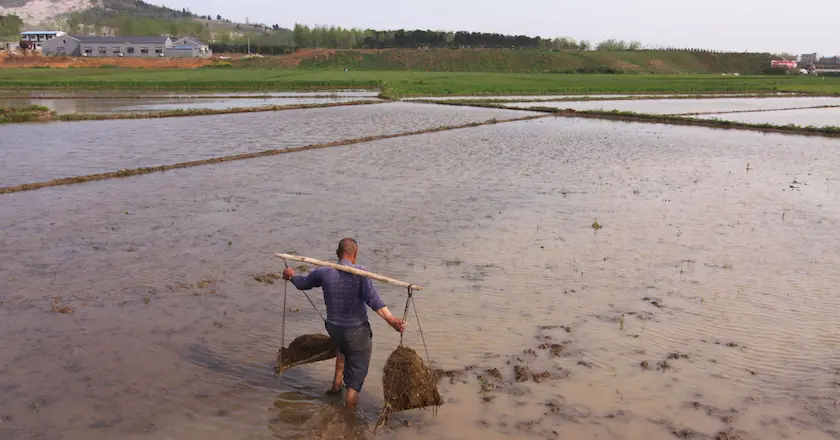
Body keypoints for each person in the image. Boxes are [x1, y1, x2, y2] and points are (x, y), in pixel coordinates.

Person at [282, 238, 406, 410]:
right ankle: (348, 418)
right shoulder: (361, 273)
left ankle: (336, 385)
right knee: (355, 381)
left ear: (337, 254)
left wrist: (291, 276)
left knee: (343, 348)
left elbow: (303, 284)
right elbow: (373, 300)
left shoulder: (324, 271)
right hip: (356, 332)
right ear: (354, 254)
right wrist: (392, 320)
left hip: (334, 328)